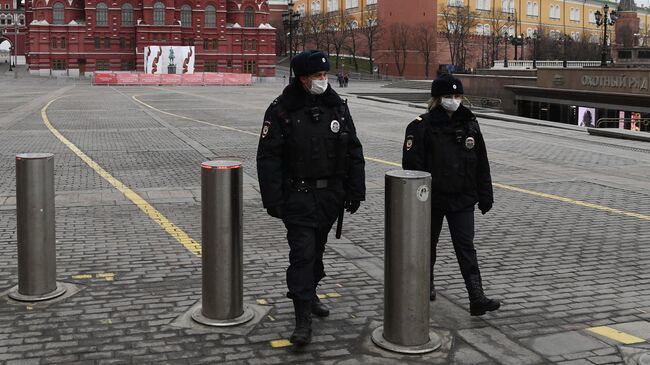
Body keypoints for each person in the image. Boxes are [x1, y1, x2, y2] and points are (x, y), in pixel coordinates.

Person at [257, 50, 366, 345]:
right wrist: (273, 199)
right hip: (298, 196)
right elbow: (268, 157)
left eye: (324, 75)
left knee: (316, 251)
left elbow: (353, 149)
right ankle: (302, 317)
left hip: (330, 196)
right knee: (302, 255)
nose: (323, 80)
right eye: (317, 76)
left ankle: (311, 293)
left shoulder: (337, 107)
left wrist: (356, 190)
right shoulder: (281, 110)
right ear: (302, 79)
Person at [401, 74, 501, 317]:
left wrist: (485, 194)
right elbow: (411, 166)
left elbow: (481, 162)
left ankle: (476, 296)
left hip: (463, 198)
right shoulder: (420, 126)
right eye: (448, 96)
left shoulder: (470, 124)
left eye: (457, 96)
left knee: (466, 246)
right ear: (437, 99)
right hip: (431, 199)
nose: (454, 101)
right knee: (428, 246)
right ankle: (427, 284)